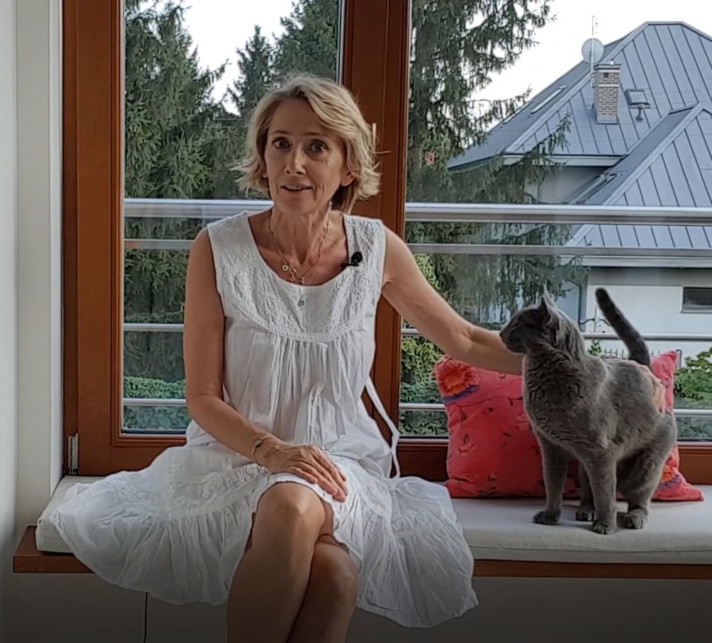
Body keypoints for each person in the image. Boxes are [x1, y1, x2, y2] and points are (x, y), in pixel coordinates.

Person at [39, 74, 666, 643]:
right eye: (280, 144)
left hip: (341, 461)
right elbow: (201, 397)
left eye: (316, 147)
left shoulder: (376, 248)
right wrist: (275, 452)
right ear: (262, 157)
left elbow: (467, 341)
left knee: (309, 532)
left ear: (346, 166)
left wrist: (604, 371)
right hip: (238, 457)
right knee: (326, 564)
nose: (294, 163)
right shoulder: (218, 248)